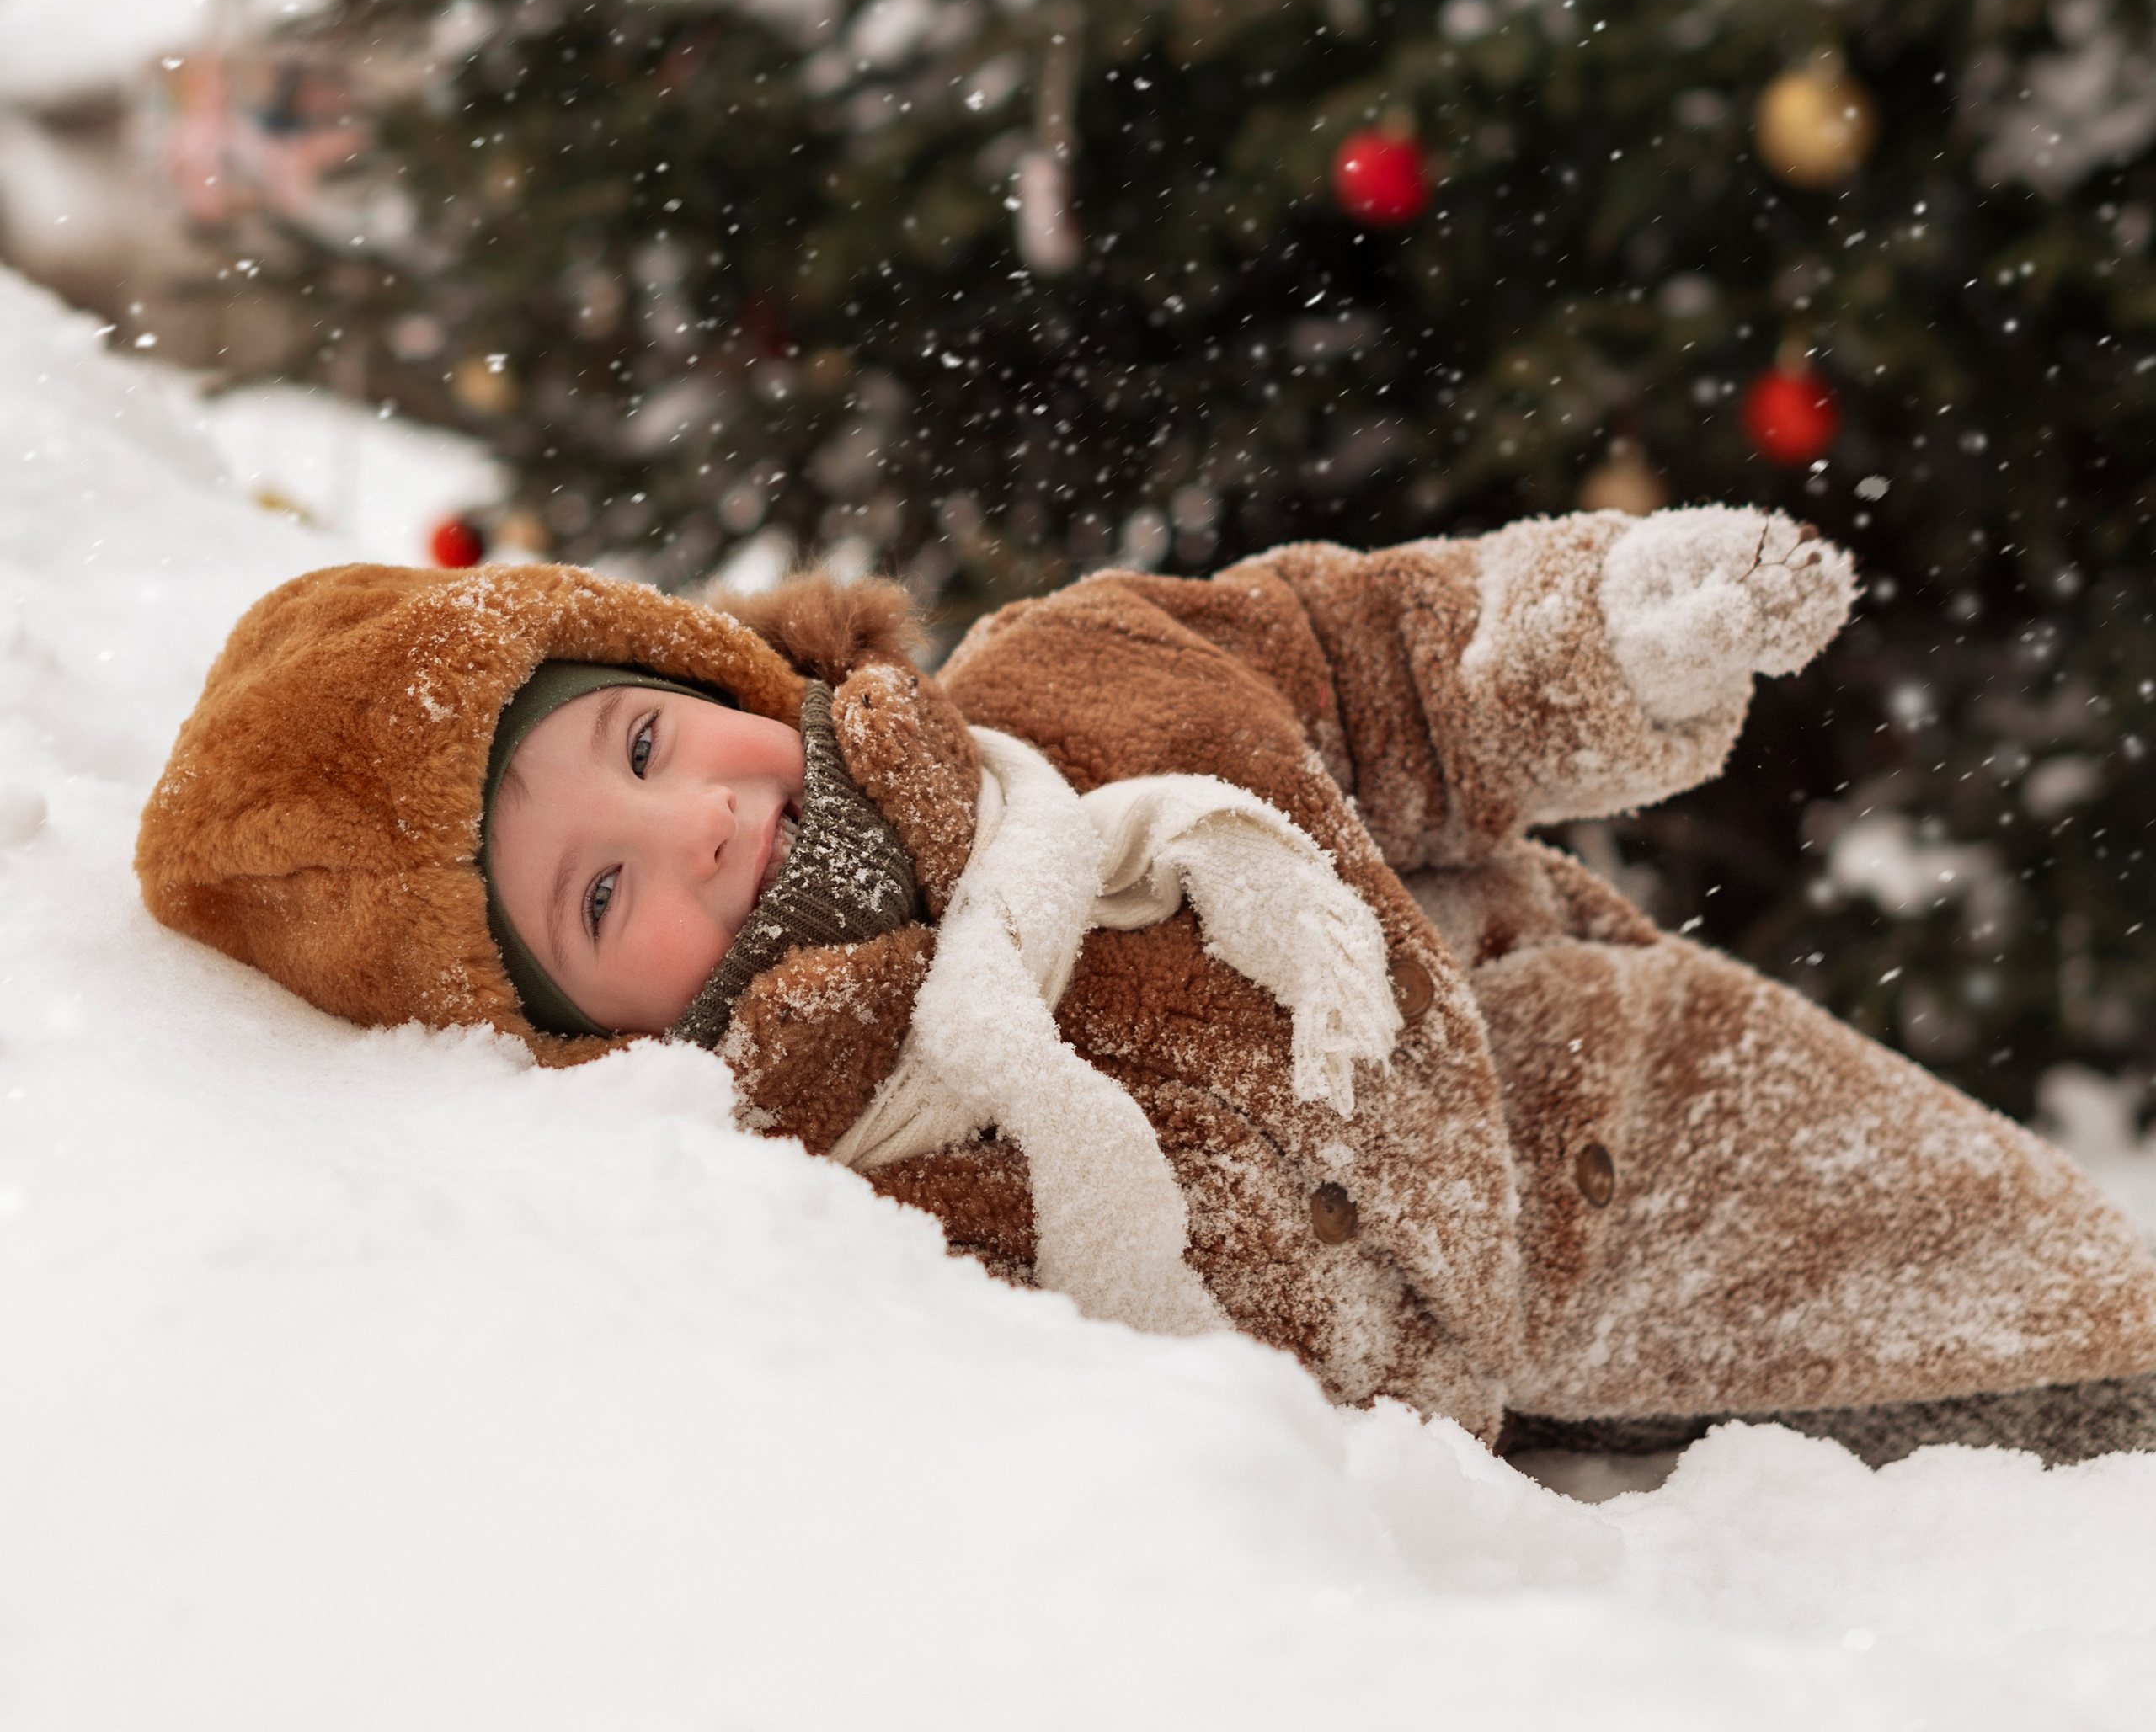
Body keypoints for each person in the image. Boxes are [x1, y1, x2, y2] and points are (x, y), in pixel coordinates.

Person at [138, 504, 2156, 1463]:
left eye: (648, 744)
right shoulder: (826, 1177)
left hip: (1594, 1103)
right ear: (573, 1025)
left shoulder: (1060, 685)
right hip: (1472, 1448)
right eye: (600, 893)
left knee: (2059, 1349)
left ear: (686, 664)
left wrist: (1591, 637)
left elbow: (1372, 657)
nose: (695, 829)